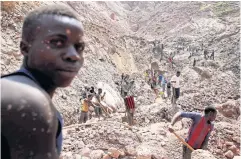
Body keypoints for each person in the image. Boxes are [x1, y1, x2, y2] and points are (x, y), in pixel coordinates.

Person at [1, 4, 85, 159]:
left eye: (79, 47)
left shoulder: (16, 89)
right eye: (57, 42)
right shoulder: (28, 102)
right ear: (25, 48)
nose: (74, 56)